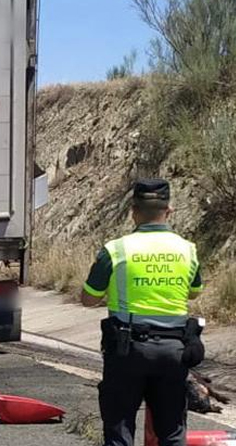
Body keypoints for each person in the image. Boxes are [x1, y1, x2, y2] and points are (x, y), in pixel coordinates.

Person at [81, 178, 205, 446]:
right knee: (172, 432)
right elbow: (194, 291)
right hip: (174, 350)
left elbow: (88, 298)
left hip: (128, 350)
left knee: (119, 430)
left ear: (133, 211)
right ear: (169, 210)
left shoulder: (115, 250)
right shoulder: (188, 250)